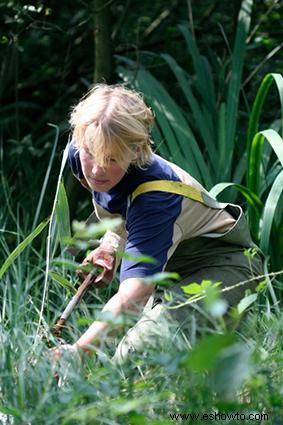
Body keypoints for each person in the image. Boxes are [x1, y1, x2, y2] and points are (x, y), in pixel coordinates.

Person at [55, 84, 263, 363]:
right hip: (170, 271)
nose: (95, 170)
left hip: (222, 268)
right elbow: (120, 208)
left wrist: (76, 354)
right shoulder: (79, 153)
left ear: (137, 150)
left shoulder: (157, 198)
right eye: (90, 152)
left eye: (111, 159)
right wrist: (110, 244)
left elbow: (133, 298)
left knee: (132, 360)